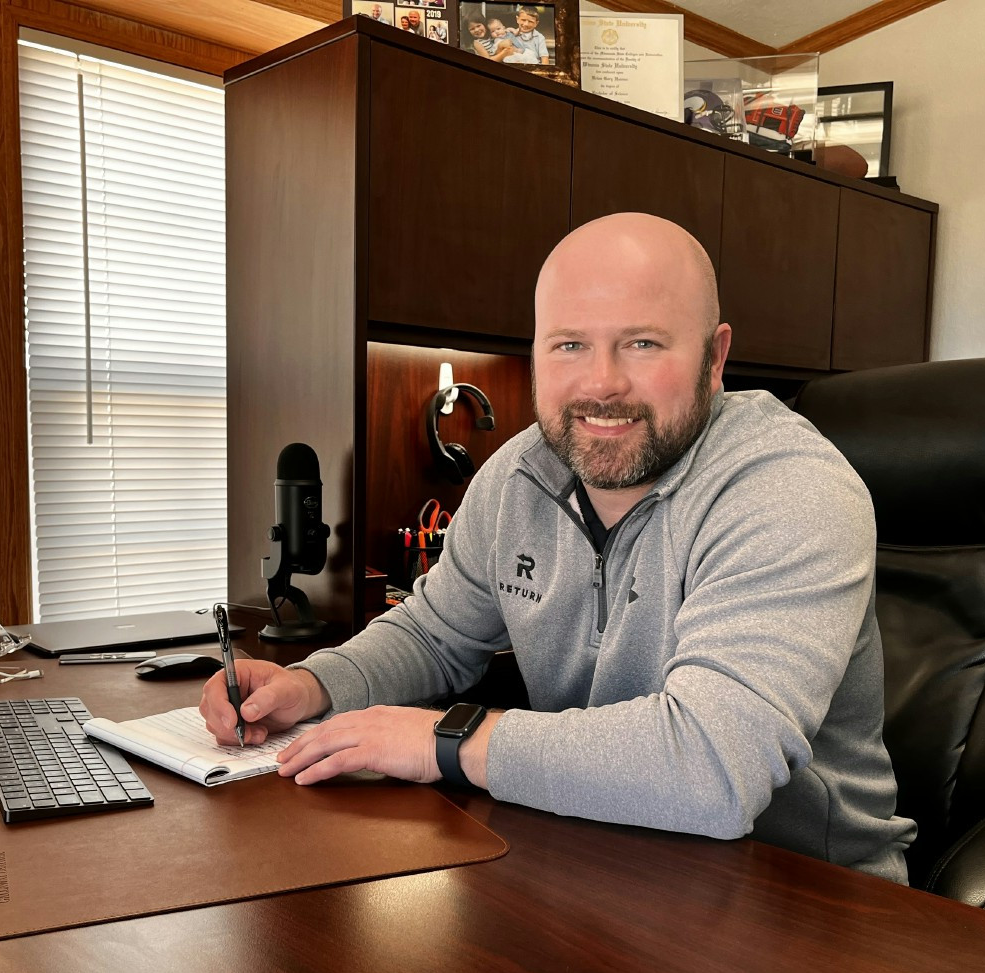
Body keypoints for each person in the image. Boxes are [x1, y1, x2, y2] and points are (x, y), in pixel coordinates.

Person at [201, 213, 916, 882]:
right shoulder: (518, 475)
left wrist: (443, 741)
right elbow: (434, 633)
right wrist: (316, 684)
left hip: (808, 901)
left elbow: (712, 771)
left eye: (643, 342)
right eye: (570, 344)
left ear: (715, 356)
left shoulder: (791, 489)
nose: (602, 383)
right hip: (600, 859)